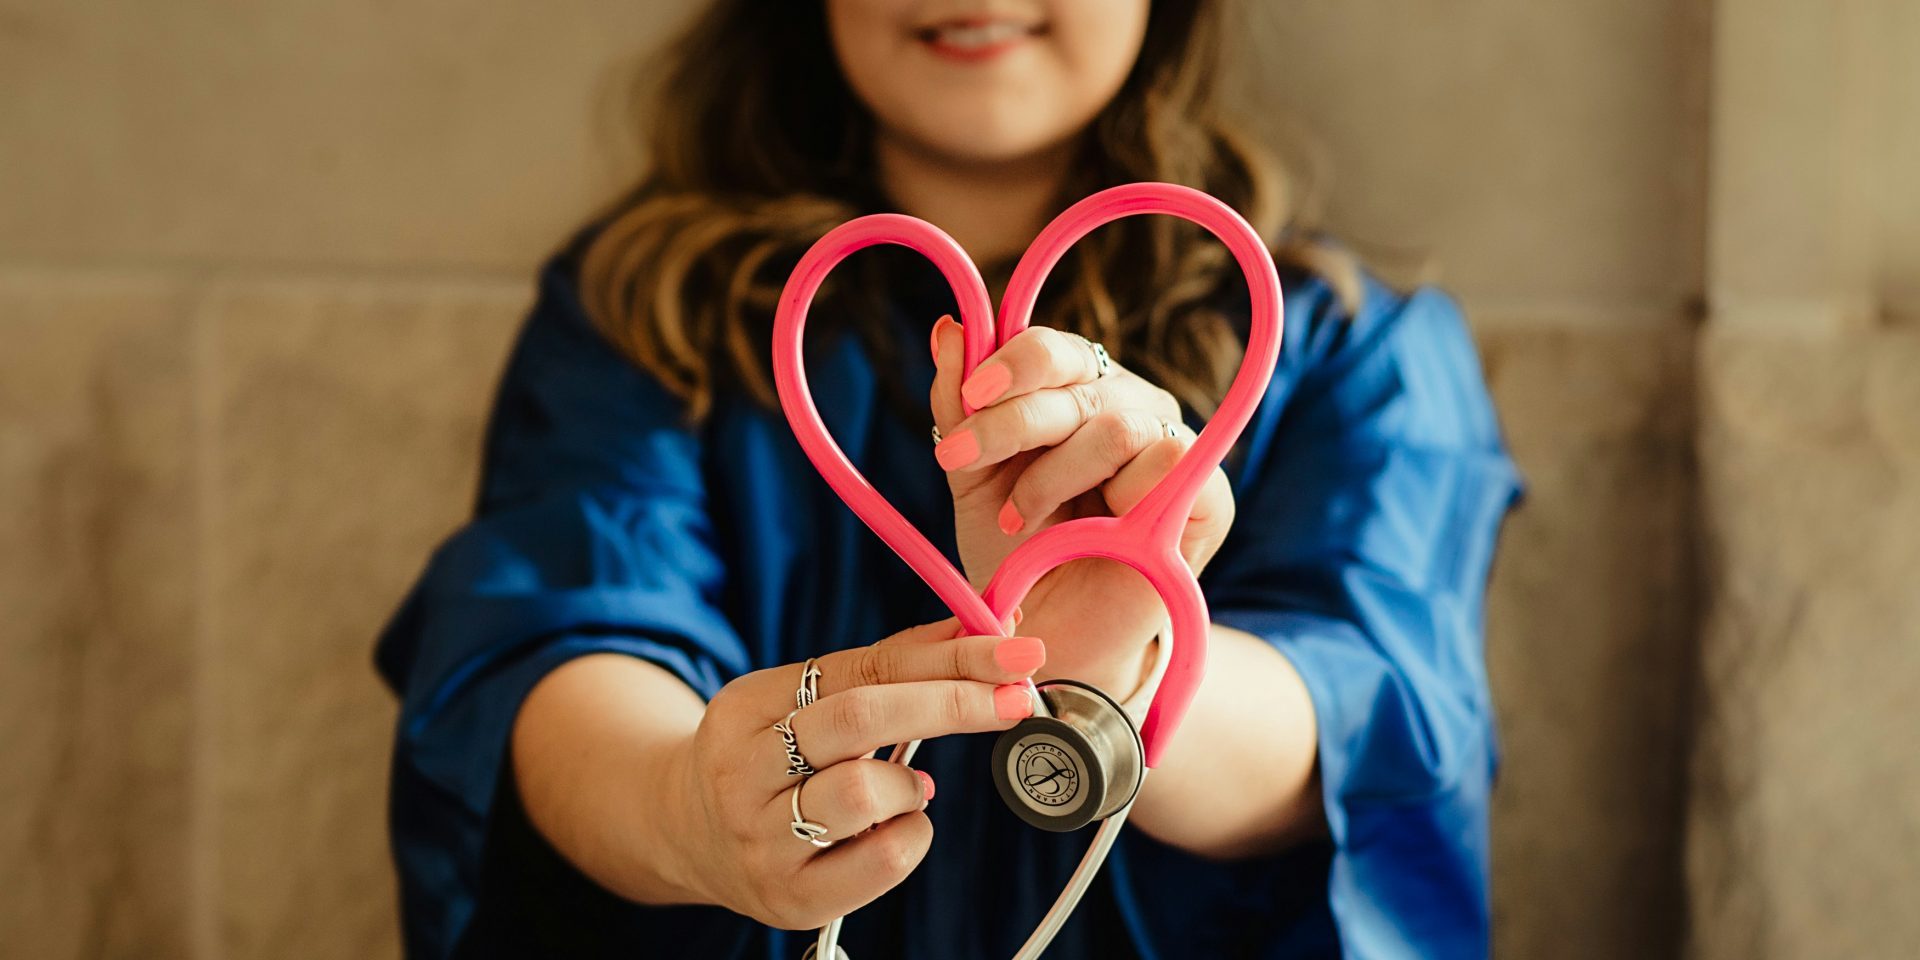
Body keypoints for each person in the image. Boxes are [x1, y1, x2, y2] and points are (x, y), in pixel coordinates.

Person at [376, 1, 1521, 957]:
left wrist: (1121, 673)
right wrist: (682, 810)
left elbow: (1373, 711)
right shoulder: (637, 318)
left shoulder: (1358, 353)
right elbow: (555, 636)